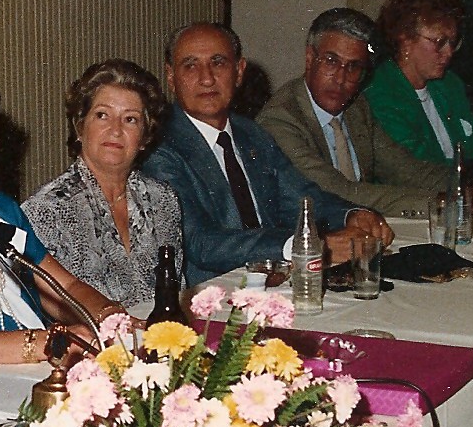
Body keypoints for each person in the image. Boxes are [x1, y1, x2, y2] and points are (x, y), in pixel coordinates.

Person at [144, 23, 394, 284]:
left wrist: (351, 215)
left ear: (239, 72)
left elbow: (300, 199)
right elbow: (200, 242)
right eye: (190, 65)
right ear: (171, 77)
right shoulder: (159, 148)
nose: (206, 78)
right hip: (212, 292)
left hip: (277, 282)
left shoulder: (250, 132)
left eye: (218, 63)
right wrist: (301, 245)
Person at [0, 62, 110, 367]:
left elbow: (65, 288)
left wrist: (110, 317)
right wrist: (42, 344)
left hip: (39, 370)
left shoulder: (0, 208)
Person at [258, 8, 473, 218]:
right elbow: (338, 192)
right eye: (331, 61)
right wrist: (453, 202)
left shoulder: (355, 107)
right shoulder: (280, 120)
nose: (341, 78)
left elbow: (405, 170)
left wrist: (471, 183)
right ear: (310, 58)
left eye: (354, 66)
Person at [22, 59, 185, 309]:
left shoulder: (162, 199)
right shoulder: (45, 211)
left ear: (145, 136)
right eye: (102, 115)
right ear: (80, 127)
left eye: (130, 119)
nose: (115, 130)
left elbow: (176, 292)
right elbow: (51, 305)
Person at [361, 0, 473, 176]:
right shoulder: (379, 94)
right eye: (439, 42)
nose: (449, 53)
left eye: (453, 42)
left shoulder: (448, 83)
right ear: (406, 41)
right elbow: (418, 168)